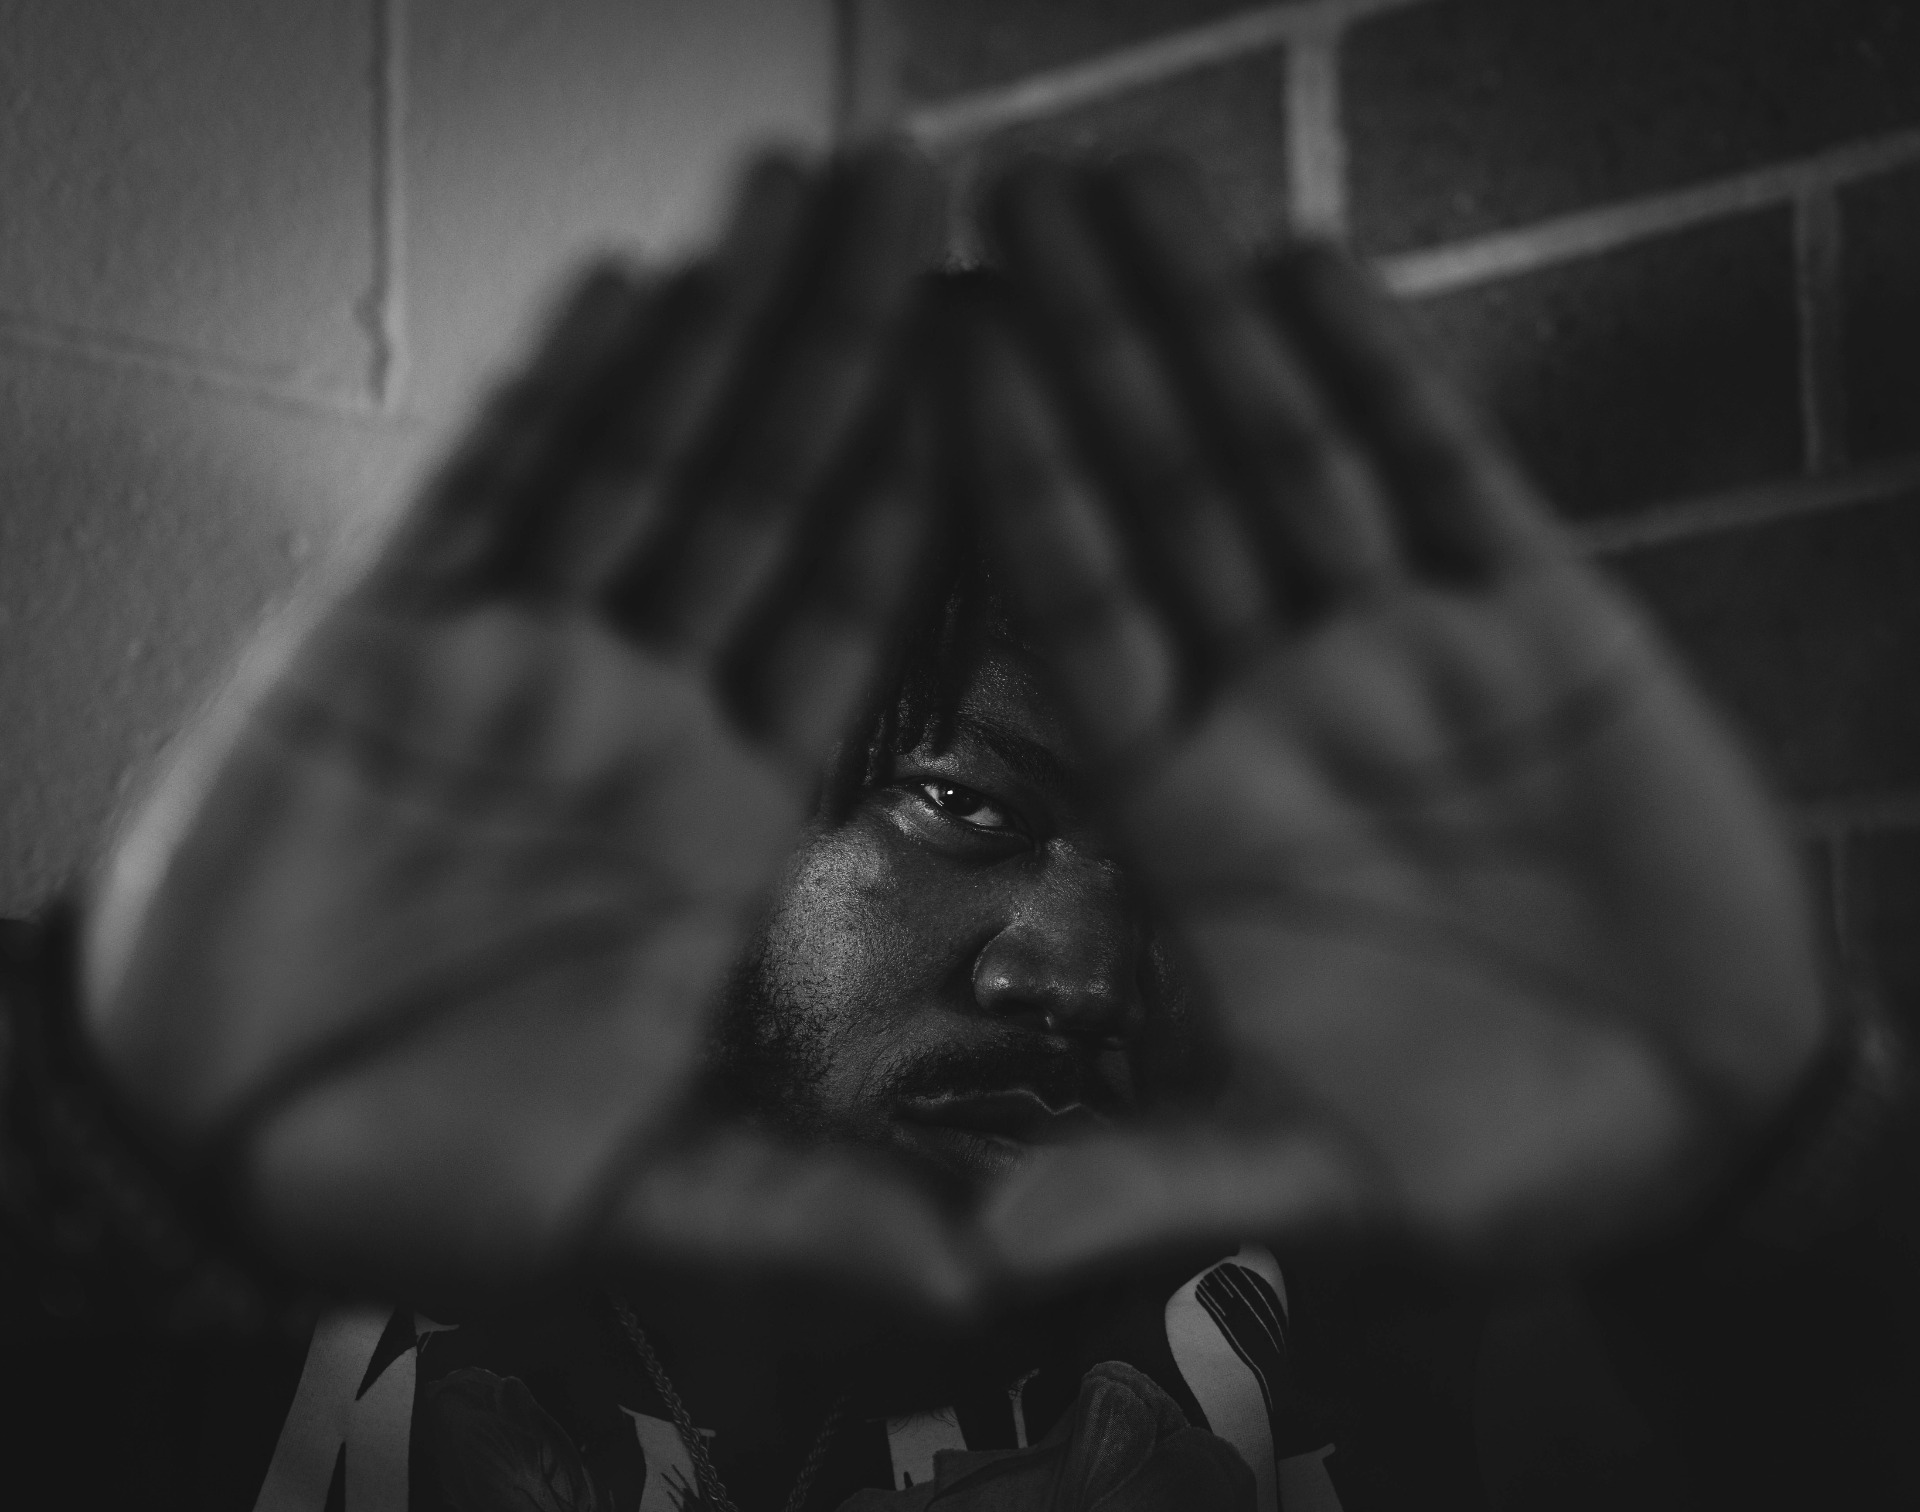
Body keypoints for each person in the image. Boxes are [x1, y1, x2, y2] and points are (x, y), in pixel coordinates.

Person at [2, 145, 1914, 1510]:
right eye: (965, 804)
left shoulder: (1342, 1292)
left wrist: (1774, 1128)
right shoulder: (292, 1264)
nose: (1084, 967)